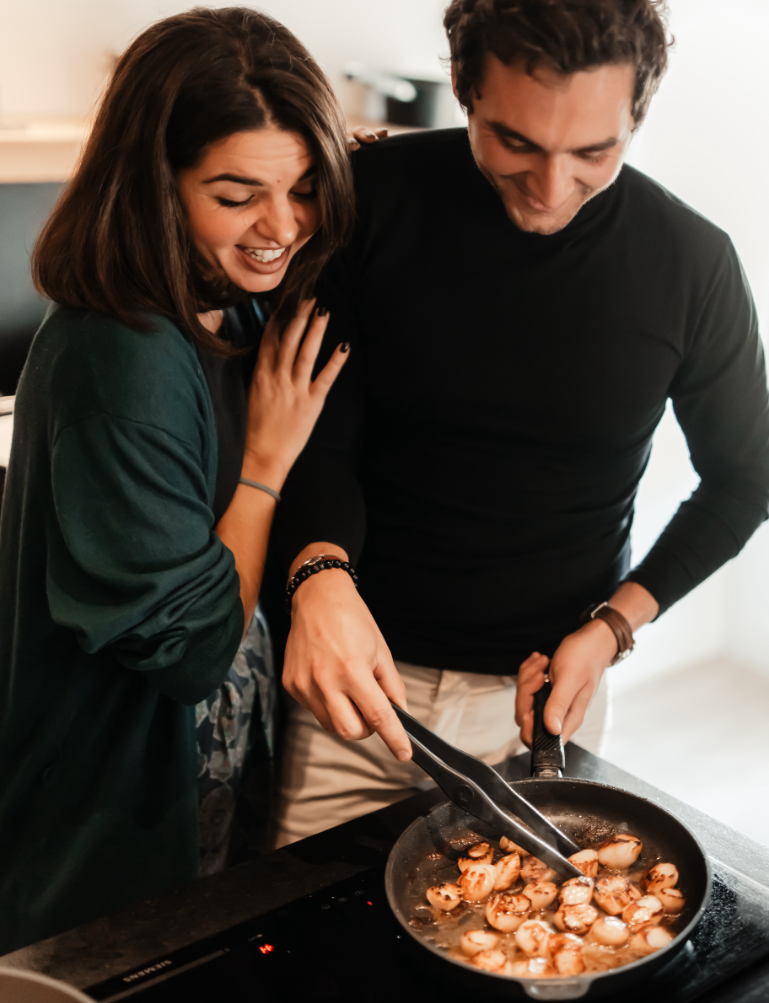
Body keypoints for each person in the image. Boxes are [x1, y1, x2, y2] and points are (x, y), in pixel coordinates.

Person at [269, 0, 769, 846]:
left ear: (636, 113)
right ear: (463, 89)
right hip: (348, 688)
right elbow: (314, 425)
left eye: (594, 152)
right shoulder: (372, 200)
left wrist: (614, 626)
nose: (548, 189)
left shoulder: (692, 264)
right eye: (515, 143)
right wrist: (317, 576)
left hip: (541, 714)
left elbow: (746, 475)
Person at [0, 6, 358, 954]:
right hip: (109, 809)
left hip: (211, 771)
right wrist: (267, 465)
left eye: (306, 187)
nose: (281, 227)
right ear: (154, 186)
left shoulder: (222, 306)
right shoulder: (122, 356)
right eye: (236, 195)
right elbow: (196, 648)